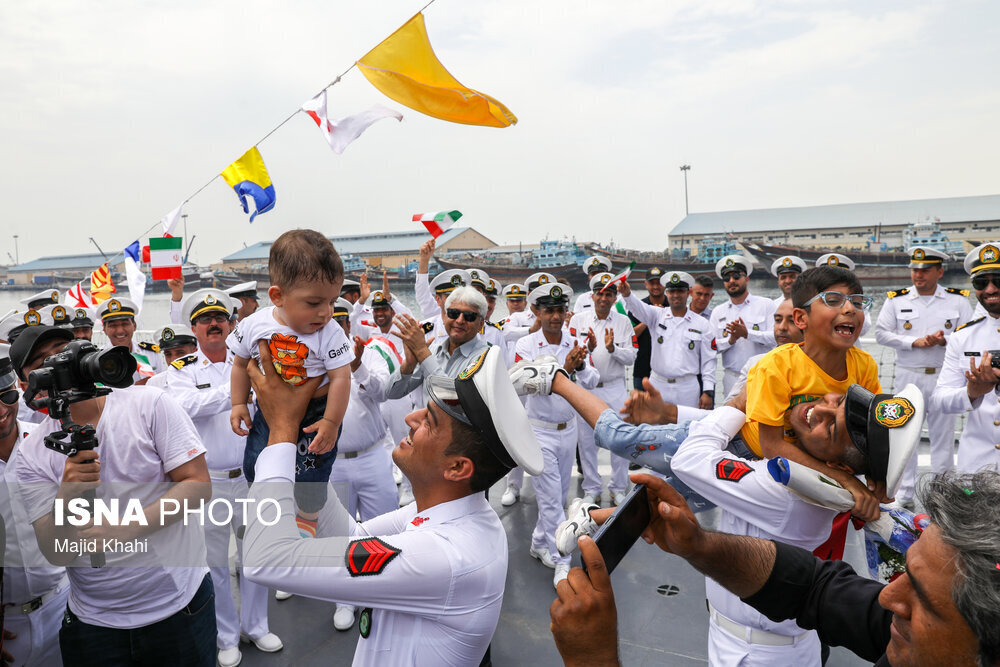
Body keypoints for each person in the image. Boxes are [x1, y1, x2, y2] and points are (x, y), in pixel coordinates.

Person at [243, 344, 544, 666]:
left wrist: (282, 431)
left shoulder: (444, 554)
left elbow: (266, 560)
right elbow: (353, 541)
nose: (410, 419)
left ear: (457, 468)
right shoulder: (452, 513)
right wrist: (307, 454)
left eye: (429, 422)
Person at [550, 469, 1000, 667]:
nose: (888, 596)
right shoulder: (924, 641)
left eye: (920, 597)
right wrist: (699, 545)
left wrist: (594, 660)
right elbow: (815, 588)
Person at [11, 325, 215, 666]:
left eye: (66, 349)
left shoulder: (150, 404)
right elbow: (53, 549)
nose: (63, 361)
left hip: (180, 605)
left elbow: (197, 484)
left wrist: (123, 530)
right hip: (95, 625)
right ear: (26, 384)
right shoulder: (30, 453)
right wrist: (68, 494)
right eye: (44, 360)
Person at [163, 289, 281, 666]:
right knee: (214, 562)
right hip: (208, 480)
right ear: (194, 329)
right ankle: (226, 635)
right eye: (205, 320)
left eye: (220, 319)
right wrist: (236, 392)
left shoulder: (254, 363)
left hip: (250, 475)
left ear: (232, 325)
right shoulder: (180, 371)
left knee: (254, 555)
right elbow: (184, 407)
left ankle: (258, 626)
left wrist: (242, 387)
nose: (214, 325)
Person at [228, 230, 354, 545]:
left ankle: (307, 520)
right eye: (314, 303)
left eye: (332, 301)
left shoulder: (330, 331)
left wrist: (331, 422)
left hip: (316, 411)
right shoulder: (254, 324)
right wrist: (238, 404)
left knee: (314, 468)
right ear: (277, 296)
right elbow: (240, 365)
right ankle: (264, 511)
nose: (326, 312)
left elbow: (341, 377)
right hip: (268, 409)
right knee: (256, 462)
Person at [745, 265, 883, 518]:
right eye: (833, 300)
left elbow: (871, 428)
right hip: (752, 454)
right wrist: (845, 479)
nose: (850, 308)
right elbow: (772, 446)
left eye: (857, 302)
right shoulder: (777, 366)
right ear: (801, 319)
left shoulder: (864, 365)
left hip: (815, 461)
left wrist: (878, 478)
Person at [874, 246, 974, 508]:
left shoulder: (958, 300)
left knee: (943, 437)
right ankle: (904, 493)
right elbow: (882, 333)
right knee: (906, 436)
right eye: (915, 269)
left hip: (944, 377)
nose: (918, 275)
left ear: (939, 272)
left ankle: (942, 494)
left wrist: (944, 341)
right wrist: (913, 342)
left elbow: (970, 336)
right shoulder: (896, 300)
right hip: (909, 377)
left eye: (925, 270)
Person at [514, 282, 598, 587]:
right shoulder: (526, 346)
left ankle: (539, 542)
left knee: (560, 495)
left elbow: (591, 380)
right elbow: (528, 385)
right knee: (551, 501)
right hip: (539, 431)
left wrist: (581, 365)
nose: (555, 316)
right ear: (536, 311)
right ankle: (562, 560)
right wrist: (564, 369)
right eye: (548, 310)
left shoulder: (574, 342)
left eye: (560, 310)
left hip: (568, 429)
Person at [326, 297, 400, 631]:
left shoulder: (372, 352)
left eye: (343, 321)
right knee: (340, 532)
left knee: (384, 526)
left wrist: (357, 367)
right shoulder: (310, 360)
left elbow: (383, 392)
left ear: (349, 324)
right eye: (332, 321)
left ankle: (383, 593)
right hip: (333, 461)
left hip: (372, 456)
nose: (338, 328)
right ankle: (345, 598)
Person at [0, 356, 69, 666]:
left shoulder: (51, 442)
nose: (1, 411)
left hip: (64, 607)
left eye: (6, 396)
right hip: (7, 625)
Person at [929, 242, 1000, 474]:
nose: (990, 289)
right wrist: (972, 392)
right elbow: (940, 399)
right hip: (978, 466)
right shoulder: (963, 337)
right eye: (981, 282)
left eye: (998, 280)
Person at [569, 273, 638, 506]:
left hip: (615, 387)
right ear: (592, 295)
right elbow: (570, 352)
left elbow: (631, 357)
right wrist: (587, 348)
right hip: (586, 388)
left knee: (619, 439)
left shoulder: (623, 322)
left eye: (609, 294)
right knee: (586, 441)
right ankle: (591, 487)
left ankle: (618, 487)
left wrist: (612, 350)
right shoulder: (578, 320)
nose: (604, 298)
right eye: (600, 293)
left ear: (615, 297)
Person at [621, 271, 715, 408]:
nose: (676, 295)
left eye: (680, 291)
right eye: (671, 291)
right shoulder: (656, 315)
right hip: (658, 384)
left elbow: (709, 361)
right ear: (667, 293)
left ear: (688, 293)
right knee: (655, 427)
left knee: (688, 427)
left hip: (687, 388)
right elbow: (637, 307)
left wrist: (708, 391)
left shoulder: (702, 323)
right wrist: (627, 294)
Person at [708, 255, 776, 394]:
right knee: (732, 415)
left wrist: (747, 334)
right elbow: (711, 346)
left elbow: (776, 338)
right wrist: (730, 340)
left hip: (761, 374)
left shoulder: (766, 304)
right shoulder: (718, 312)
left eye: (736, 276)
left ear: (746, 278)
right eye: (727, 278)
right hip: (731, 378)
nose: (731, 281)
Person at [94, 296, 164, 381]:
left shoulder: (151, 354)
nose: (120, 331)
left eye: (125, 324)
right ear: (104, 329)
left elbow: (162, 385)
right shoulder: (97, 358)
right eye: (113, 326)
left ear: (134, 326)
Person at [627, 267, 665, 391]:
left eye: (659, 283)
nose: (656, 286)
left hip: (667, 371)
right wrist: (649, 318)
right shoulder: (637, 307)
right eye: (652, 283)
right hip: (642, 369)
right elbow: (630, 336)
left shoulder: (673, 307)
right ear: (646, 284)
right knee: (641, 409)